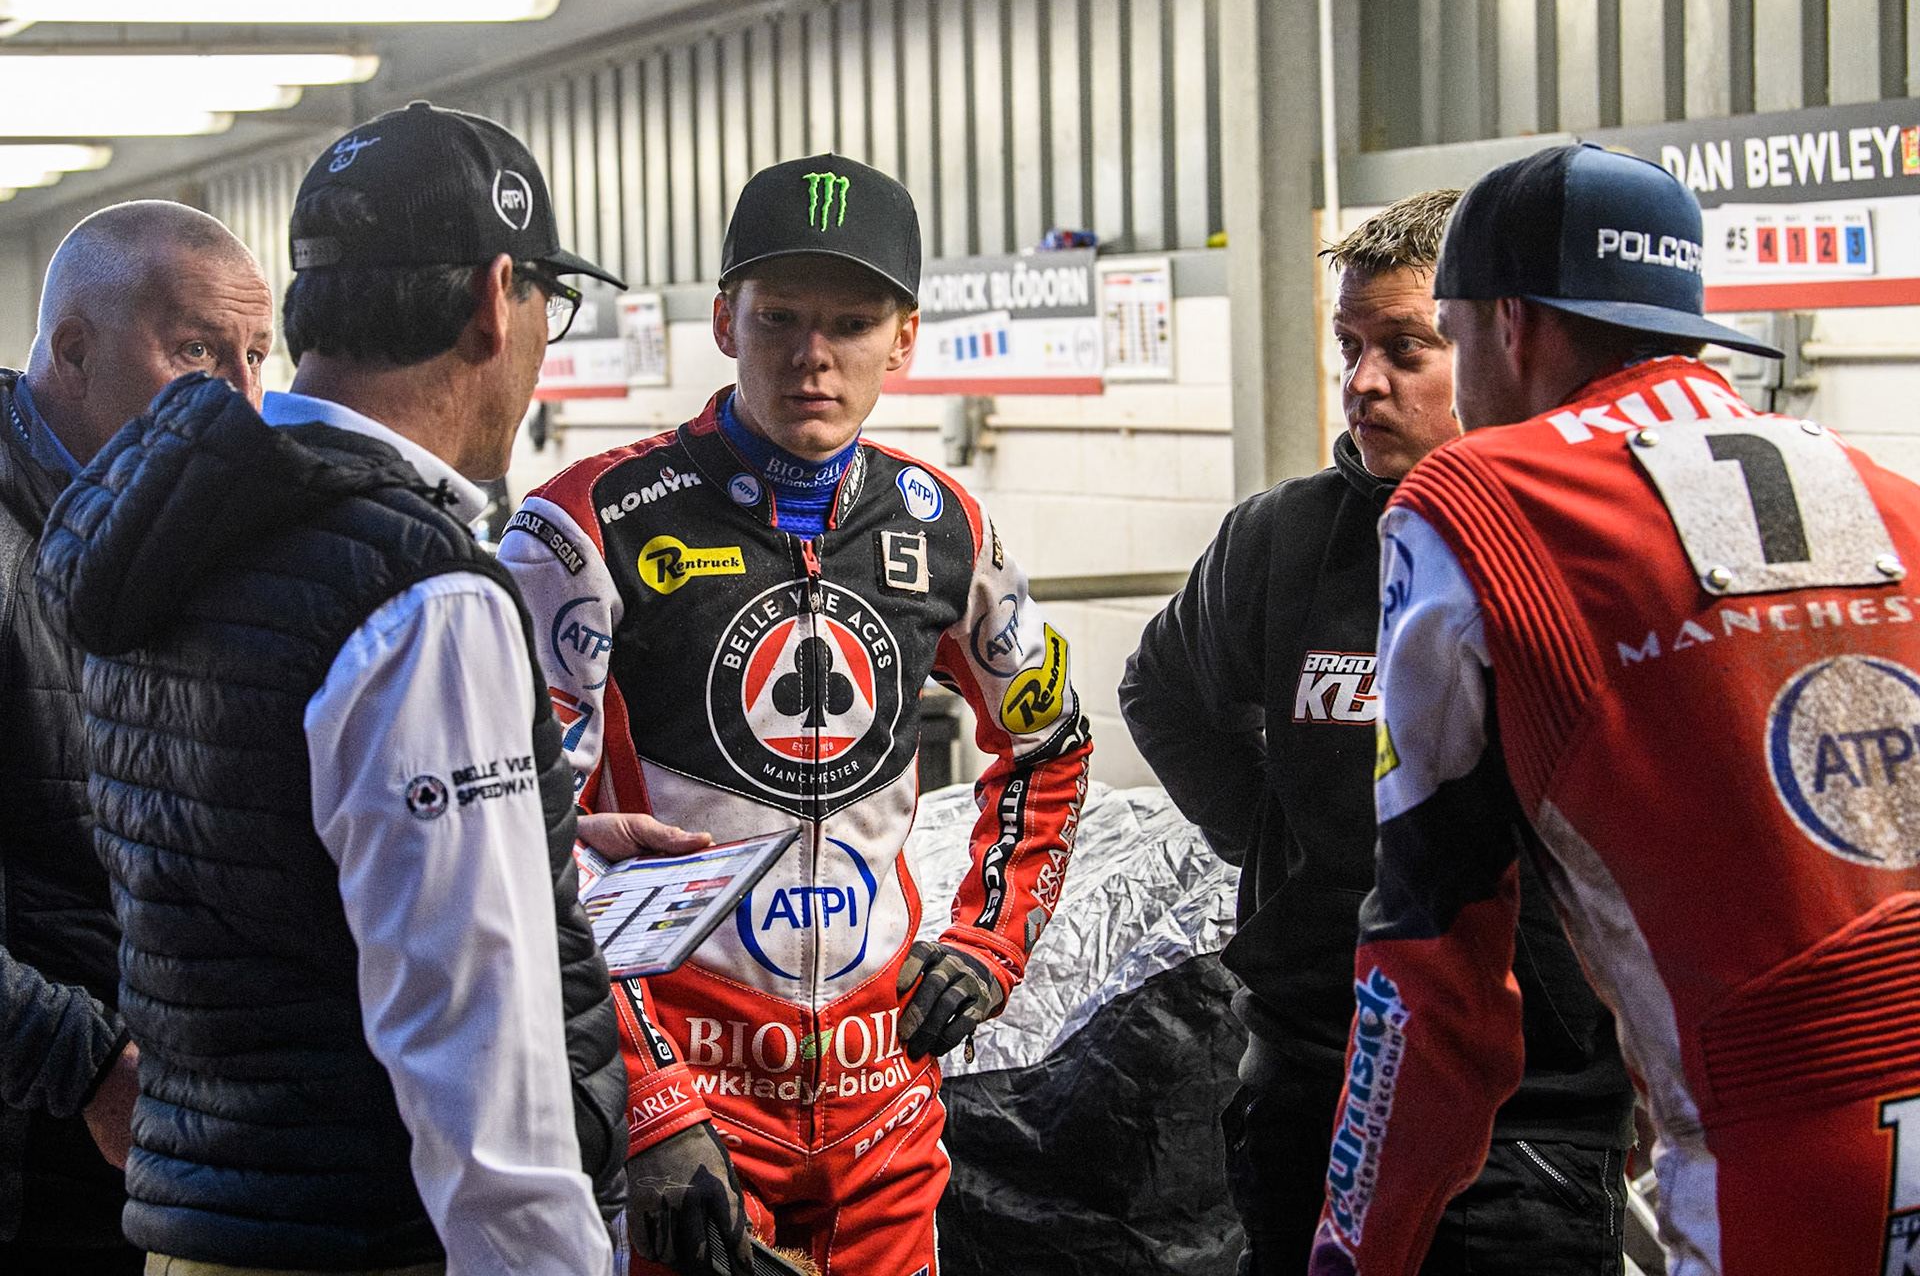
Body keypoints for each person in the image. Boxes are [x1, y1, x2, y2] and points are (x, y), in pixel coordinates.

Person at [35, 102, 632, 1274]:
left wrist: (532, 836)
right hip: (371, 1237)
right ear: (488, 296)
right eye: (542, 311)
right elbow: (472, 1041)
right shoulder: (415, 586)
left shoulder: (173, 527)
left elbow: (274, 882)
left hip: (202, 1222)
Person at [1308, 143, 1920, 1276]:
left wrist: (1356, 1246)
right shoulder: (1884, 487)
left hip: (1783, 1152)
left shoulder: (1473, 499)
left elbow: (1429, 976)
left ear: (1508, 325)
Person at [501, 152, 1093, 1276]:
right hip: (684, 1111)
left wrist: (990, 941)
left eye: (852, 322)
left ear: (905, 338)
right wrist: (645, 1092)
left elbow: (1050, 743)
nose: (813, 356)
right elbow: (518, 841)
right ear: (724, 319)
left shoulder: (952, 524)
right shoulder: (588, 525)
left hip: (884, 1117)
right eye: (779, 318)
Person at [1119, 190, 1635, 1275]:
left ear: (1496, 344)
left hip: (1528, 1111)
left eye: (1405, 347)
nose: (1362, 381)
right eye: (1349, 347)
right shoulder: (1282, 537)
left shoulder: (1591, 544)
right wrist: (1276, 839)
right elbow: (1160, 691)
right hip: (1316, 1076)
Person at [0, 200, 273, 1275]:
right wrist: (86, 1064)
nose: (244, 400)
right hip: (41, 1172)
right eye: (199, 351)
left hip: (182, 1161)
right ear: (73, 348)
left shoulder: (185, 529)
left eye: (259, 355)